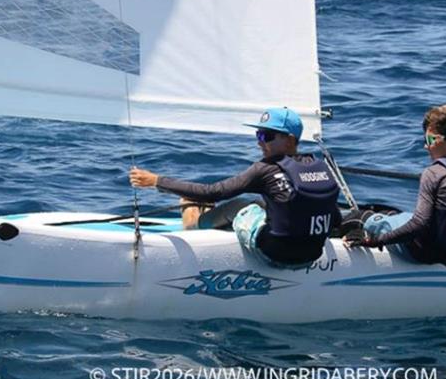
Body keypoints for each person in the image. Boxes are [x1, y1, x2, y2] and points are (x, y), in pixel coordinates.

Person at [129, 107, 341, 267]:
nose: (259, 142)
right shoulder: (320, 167)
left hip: (275, 256)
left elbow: (212, 192)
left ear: (290, 140)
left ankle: (193, 224)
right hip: (311, 257)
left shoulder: (265, 169)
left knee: (240, 205)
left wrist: (156, 181)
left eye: (266, 136)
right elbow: (332, 215)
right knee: (262, 203)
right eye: (258, 135)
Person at [345, 103, 446, 269]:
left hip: (421, 252)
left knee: (358, 217)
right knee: (391, 214)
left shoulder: (435, 172)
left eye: (430, 139)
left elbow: (419, 224)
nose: (425, 146)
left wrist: (374, 241)